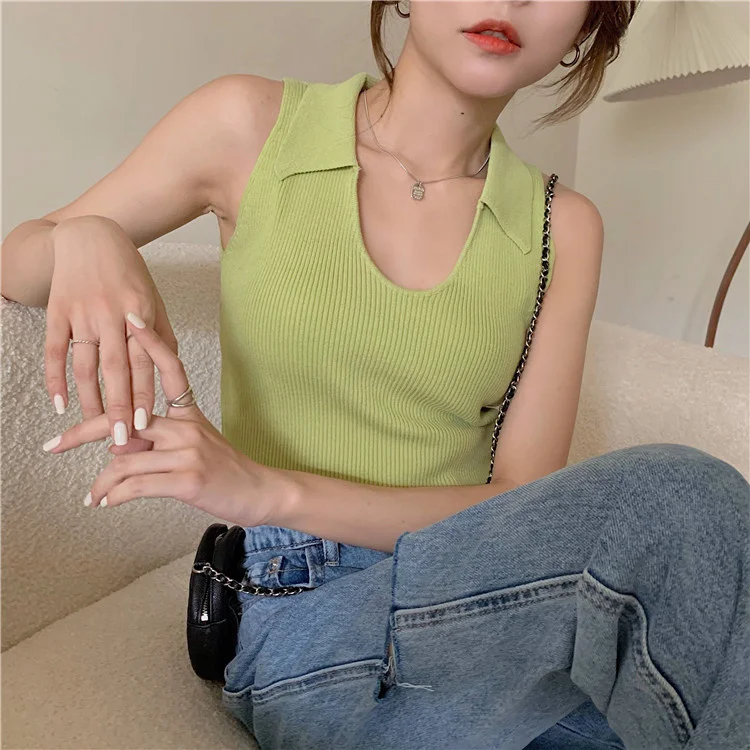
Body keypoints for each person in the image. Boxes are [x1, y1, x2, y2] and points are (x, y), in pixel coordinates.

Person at [3, 1, 748, 748]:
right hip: (302, 609)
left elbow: (521, 501)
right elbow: (17, 261)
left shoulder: (564, 226)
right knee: (682, 491)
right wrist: (87, 235)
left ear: (585, 27)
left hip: (485, 598)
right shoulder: (251, 126)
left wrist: (268, 489)